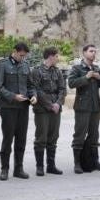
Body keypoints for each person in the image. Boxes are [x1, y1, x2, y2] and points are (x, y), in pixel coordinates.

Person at [0, 42, 34, 180]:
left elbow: (30, 85)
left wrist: (33, 95)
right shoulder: (3, 64)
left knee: (21, 139)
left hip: (23, 108)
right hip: (8, 107)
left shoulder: (26, 65)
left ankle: (19, 168)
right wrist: (13, 96)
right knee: (8, 138)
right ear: (14, 51)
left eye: (24, 56)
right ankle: (4, 169)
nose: (23, 58)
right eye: (21, 55)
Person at [68, 44, 100, 173]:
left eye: (95, 52)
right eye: (91, 51)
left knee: (94, 134)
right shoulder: (77, 68)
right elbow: (71, 83)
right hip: (82, 107)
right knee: (79, 134)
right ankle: (77, 163)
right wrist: (86, 77)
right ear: (84, 53)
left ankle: (94, 161)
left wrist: (99, 77)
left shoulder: (96, 68)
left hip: (95, 106)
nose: (93, 54)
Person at [31, 46, 67, 176]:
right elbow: (36, 90)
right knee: (41, 137)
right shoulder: (37, 71)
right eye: (57, 56)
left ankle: (51, 165)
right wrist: (50, 105)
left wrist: (57, 103)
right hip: (42, 109)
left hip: (55, 109)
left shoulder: (57, 72)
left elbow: (63, 89)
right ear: (51, 56)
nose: (58, 58)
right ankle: (39, 166)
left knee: (53, 137)